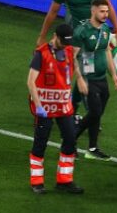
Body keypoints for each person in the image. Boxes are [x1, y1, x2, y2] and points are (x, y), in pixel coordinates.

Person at [27, 24, 87, 195]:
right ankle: (36, 182)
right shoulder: (42, 53)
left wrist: (80, 78)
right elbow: (31, 82)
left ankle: (64, 180)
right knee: (40, 143)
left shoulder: (68, 50)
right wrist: (38, 106)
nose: (66, 44)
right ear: (55, 36)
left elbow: (73, 61)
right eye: (63, 41)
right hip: (44, 107)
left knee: (70, 140)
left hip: (63, 106)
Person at [72, 0, 117, 160]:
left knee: (97, 115)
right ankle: (70, 139)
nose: (105, 14)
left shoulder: (105, 30)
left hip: (101, 78)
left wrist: (113, 73)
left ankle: (92, 148)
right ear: (93, 11)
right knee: (95, 112)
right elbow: (71, 56)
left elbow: (107, 51)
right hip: (88, 78)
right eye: (102, 11)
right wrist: (79, 79)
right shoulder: (82, 31)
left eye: (107, 11)